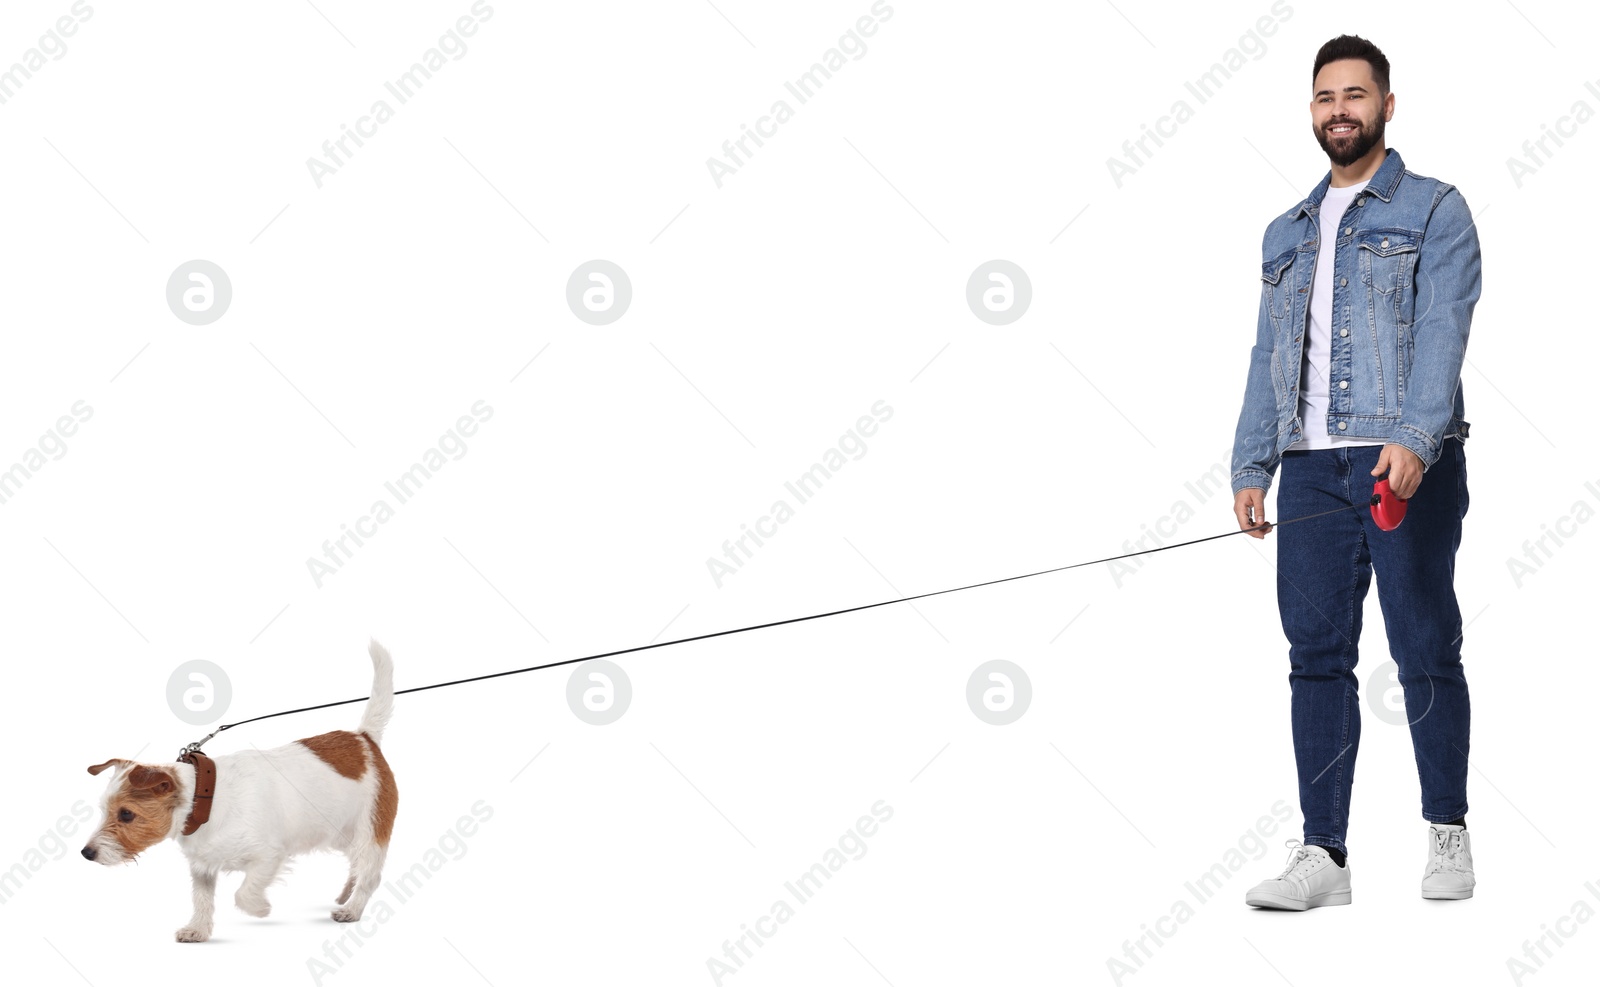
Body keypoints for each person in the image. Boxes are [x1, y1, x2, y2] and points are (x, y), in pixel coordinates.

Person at [1228, 34, 1482, 910]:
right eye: (1326, 96)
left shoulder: (1436, 209)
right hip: (1307, 470)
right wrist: (1251, 460)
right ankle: (1323, 855)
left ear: (1387, 104)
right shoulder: (1283, 232)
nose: (1341, 109)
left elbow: (1444, 330)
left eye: (1357, 95)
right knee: (1316, 659)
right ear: (1311, 110)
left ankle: (1447, 829)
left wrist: (1415, 436)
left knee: (1422, 648)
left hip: (1399, 458)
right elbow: (1270, 351)